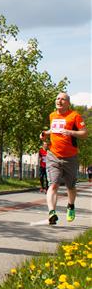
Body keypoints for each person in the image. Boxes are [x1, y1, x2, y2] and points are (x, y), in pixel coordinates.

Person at [39, 92, 87, 224]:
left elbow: (84, 133)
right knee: (53, 184)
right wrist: (45, 134)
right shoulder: (52, 115)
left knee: (70, 186)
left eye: (63, 99)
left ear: (68, 103)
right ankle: (51, 212)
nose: (59, 101)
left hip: (70, 157)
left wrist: (70, 132)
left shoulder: (74, 116)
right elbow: (53, 130)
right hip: (53, 155)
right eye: (57, 98)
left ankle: (70, 205)